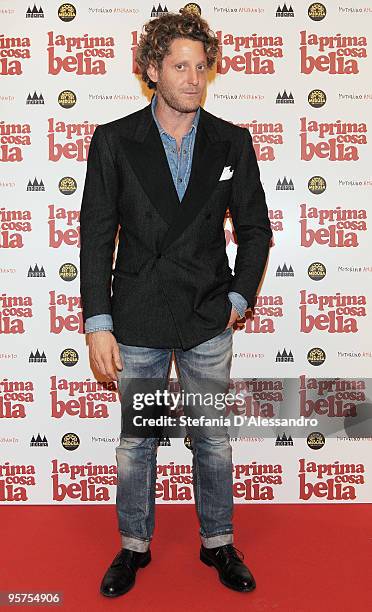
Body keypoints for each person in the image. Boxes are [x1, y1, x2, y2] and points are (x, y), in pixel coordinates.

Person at [79, 9, 272, 598]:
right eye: (180, 66)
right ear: (152, 71)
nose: (194, 78)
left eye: (200, 66)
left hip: (207, 316)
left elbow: (257, 229)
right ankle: (134, 547)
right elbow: (95, 232)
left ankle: (218, 541)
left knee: (212, 438)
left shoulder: (231, 140)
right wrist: (98, 323)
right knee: (139, 440)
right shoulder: (116, 139)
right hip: (136, 316)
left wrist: (238, 296)